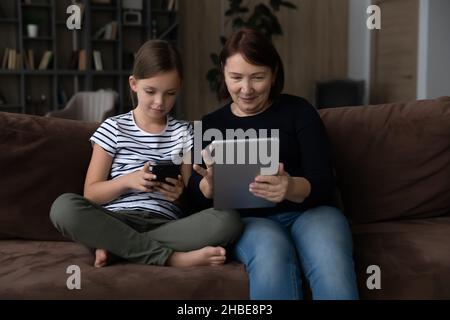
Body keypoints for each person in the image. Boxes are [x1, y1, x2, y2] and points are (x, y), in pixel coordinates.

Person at [189, 28, 359, 299]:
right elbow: (193, 196)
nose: (246, 89)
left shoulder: (300, 112)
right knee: (271, 254)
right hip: (251, 222)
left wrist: (290, 187)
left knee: (330, 262)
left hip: (311, 213)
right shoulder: (209, 125)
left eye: (258, 77)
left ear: (274, 73)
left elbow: (324, 181)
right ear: (223, 72)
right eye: (236, 78)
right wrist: (207, 190)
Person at [49, 40, 242, 268]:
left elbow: (191, 201)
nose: (160, 102)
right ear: (134, 84)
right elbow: (91, 194)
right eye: (150, 91)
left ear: (179, 87)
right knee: (63, 207)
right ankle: (172, 258)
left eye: (170, 93)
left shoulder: (184, 132)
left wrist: (179, 194)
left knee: (228, 220)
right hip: (117, 220)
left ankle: (119, 248)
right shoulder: (113, 128)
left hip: (166, 224)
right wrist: (127, 182)